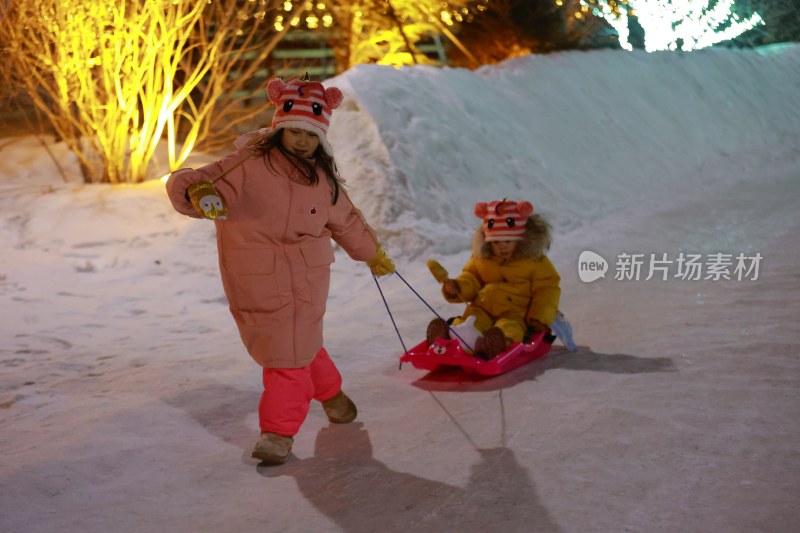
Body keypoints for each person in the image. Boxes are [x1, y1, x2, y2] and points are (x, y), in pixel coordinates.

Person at [165, 76, 395, 465]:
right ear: (279, 128)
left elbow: (347, 221)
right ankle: (334, 398)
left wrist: (372, 254)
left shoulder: (323, 180)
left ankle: (278, 433)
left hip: (308, 276)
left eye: (311, 135)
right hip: (255, 275)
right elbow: (191, 181)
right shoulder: (248, 164)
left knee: (286, 356)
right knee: (295, 344)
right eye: (294, 132)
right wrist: (199, 193)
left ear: (321, 139)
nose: (302, 141)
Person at [426, 199, 560, 359]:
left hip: (514, 313)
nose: (501, 246)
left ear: (521, 240)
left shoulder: (535, 262)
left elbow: (547, 289)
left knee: (510, 328)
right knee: (469, 322)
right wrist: (458, 287)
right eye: (496, 242)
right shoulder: (482, 259)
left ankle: (498, 343)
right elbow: (471, 277)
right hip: (482, 308)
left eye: (508, 241)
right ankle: (446, 336)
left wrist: (538, 317)